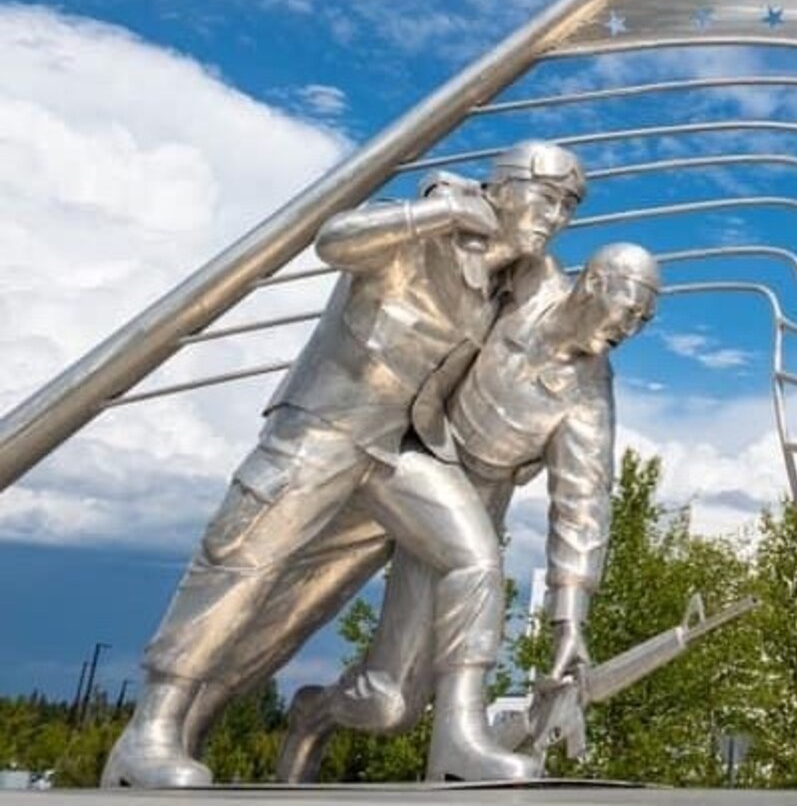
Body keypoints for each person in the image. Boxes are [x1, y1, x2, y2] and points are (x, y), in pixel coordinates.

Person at [103, 143, 585, 788]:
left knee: (472, 558)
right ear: (502, 187)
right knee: (242, 565)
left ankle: (459, 739)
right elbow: (334, 239)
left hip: (399, 453)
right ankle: (152, 732)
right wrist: (435, 216)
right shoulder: (427, 230)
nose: (556, 217)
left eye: (569, 207)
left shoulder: (511, 287)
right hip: (322, 430)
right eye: (548, 197)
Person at [269, 242, 662, 781]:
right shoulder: (531, 280)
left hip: (473, 496)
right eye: (631, 307)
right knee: (472, 565)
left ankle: (315, 712)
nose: (633, 327)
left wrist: (570, 619)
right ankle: (460, 736)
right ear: (593, 282)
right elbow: (474, 247)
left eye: (646, 319)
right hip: (398, 452)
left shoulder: (590, 393)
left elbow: (583, 504)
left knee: (391, 705)